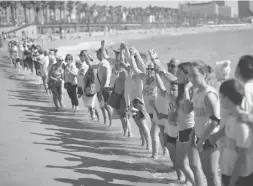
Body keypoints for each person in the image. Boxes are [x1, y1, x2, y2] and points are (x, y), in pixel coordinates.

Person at [209, 79, 253, 186]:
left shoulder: (242, 124)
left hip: (240, 177)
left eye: (220, 97)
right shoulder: (231, 117)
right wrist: (215, 136)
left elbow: (242, 157)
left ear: (227, 98)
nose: (219, 101)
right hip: (228, 172)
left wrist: (232, 181)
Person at [188, 61, 221, 186]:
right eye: (189, 75)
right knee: (207, 174)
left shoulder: (209, 94)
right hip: (200, 137)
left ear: (203, 74)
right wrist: (193, 133)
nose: (191, 78)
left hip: (211, 139)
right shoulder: (197, 92)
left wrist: (201, 140)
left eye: (194, 75)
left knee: (212, 175)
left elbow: (215, 121)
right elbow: (199, 118)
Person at [121, 43, 151, 150]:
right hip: (132, 102)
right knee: (139, 125)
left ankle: (149, 147)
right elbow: (130, 61)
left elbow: (140, 64)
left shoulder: (141, 72)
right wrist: (125, 50)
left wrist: (136, 53)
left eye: (136, 59)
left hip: (139, 101)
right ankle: (143, 142)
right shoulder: (132, 71)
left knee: (143, 125)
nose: (134, 60)